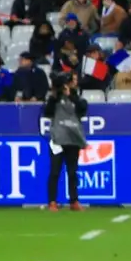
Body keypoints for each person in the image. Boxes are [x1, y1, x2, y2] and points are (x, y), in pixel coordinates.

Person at [44, 71, 89, 211]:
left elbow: (82, 109)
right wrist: (54, 96)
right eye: (72, 80)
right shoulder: (55, 98)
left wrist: (70, 95)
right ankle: (52, 201)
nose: (74, 82)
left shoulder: (77, 98)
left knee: (72, 172)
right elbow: (47, 112)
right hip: (58, 138)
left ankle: (74, 201)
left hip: (73, 138)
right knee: (55, 171)